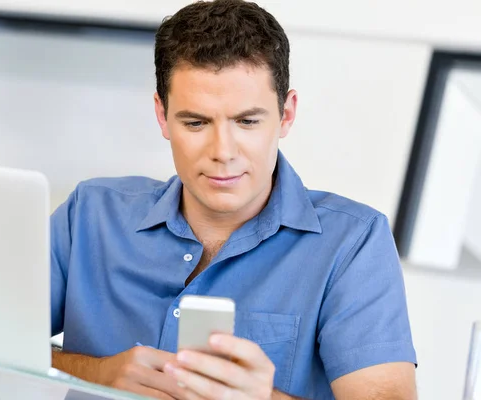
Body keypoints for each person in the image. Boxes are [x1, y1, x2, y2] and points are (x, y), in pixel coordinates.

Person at [50, 1, 418, 399]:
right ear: (162, 115)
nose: (222, 151)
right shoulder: (89, 213)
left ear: (286, 114)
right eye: (195, 122)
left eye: (247, 121)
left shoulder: (352, 243)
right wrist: (93, 373)